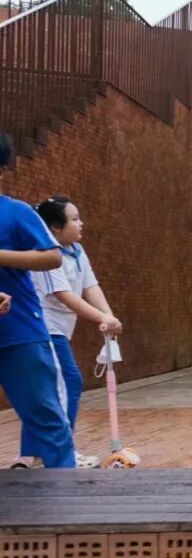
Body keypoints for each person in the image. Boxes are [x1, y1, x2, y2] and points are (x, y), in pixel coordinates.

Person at [22, 196, 122, 469]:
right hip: (45, 328)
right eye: (74, 219)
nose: (81, 223)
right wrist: (100, 317)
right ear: (56, 227)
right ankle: (60, 450)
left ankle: (37, 451)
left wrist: (109, 316)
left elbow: (91, 287)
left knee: (49, 388)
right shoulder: (48, 253)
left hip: (60, 330)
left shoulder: (77, 250)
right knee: (68, 382)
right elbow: (64, 295)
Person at [0, 132, 75, 469]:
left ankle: (65, 492)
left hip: (20, 332)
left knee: (45, 416)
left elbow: (52, 257)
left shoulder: (15, 213)